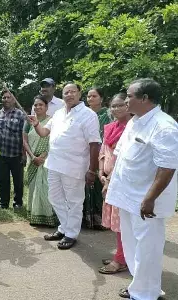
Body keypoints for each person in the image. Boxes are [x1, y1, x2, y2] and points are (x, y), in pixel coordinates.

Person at [105, 78, 178, 299]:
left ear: (145, 98)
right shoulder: (135, 121)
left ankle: (146, 293)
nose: (126, 100)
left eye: (129, 96)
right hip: (126, 195)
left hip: (146, 201)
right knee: (131, 245)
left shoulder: (164, 126)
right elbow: (120, 154)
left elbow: (167, 167)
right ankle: (140, 286)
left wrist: (150, 198)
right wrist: (110, 183)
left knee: (147, 249)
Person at [28, 83, 101, 250]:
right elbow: (44, 133)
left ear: (79, 94)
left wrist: (92, 170)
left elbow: (95, 144)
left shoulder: (88, 115)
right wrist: (35, 123)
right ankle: (64, 227)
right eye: (66, 92)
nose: (69, 95)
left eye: (72, 92)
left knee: (74, 201)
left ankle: (71, 234)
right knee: (54, 198)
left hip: (74, 166)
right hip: (54, 164)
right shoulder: (59, 113)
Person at [97, 93, 131, 275]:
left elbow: (123, 157)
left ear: (128, 106)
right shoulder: (110, 128)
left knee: (122, 223)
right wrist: (101, 171)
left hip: (122, 181)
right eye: (113, 106)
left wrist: (109, 180)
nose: (116, 109)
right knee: (116, 222)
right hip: (108, 179)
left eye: (120, 105)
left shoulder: (131, 129)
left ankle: (121, 259)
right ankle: (122, 256)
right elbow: (104, 151)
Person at [23, 95, 57, 227]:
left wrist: (44, 156)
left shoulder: (52, 121)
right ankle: (35, 215)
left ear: (46, 107)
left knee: (46, 188)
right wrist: (33, 157)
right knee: (33, 188)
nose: (37, 107)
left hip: (47, 160)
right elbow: (25, 141)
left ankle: (48, 217)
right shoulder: (29, 121)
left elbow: (54, 140)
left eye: (40, 105)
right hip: (32, 159)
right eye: (35, 105)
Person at [84, 87, 112, 229]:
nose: (90, 99)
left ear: (101, 98)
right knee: (87, 185)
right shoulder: (85, 114)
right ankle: (88, 218)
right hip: (86, 153)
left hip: (103, 154)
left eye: (94, 96)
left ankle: (102, 220)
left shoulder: (107, 114)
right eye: (88, 96)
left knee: (100, 184)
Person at [0, 90, 26, 209]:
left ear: (14, 99)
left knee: (18, 181)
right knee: (2, 180)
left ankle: (18, 203)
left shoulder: (20, 115)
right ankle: (3, 203)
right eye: (4, 97)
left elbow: (24, 136)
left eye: (9, 97)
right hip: (1, 154)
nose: (6, 99)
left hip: (16, 154)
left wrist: (24, 154)